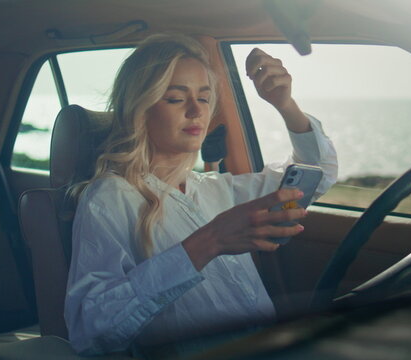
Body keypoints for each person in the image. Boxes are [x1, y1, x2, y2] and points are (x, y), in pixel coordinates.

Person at [64, 33, 337, 357]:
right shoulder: (110, 198)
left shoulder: (216, 188)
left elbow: (317, 176)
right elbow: (89, 330)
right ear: (141, 107)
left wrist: (286, 105)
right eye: (177, 98)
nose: (196, 111)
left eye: (204, 98)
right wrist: (209, 242)